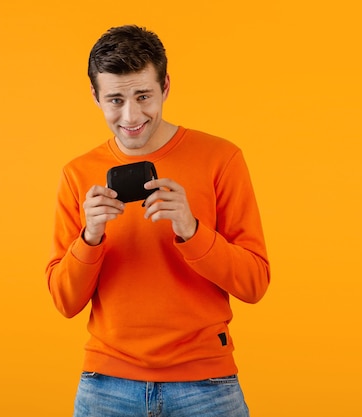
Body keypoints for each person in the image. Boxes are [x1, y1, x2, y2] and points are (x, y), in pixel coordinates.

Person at [45, 24, 270, 417]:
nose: (131, 115)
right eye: (115, 99)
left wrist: (192, 230)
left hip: (207, 388)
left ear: (165, 87)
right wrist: (90, 238)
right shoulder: (77, 174)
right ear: (96, 98)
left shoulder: (221, 159)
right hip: (106, 387)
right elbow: (64, 301)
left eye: (143, 96)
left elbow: (254, 284)